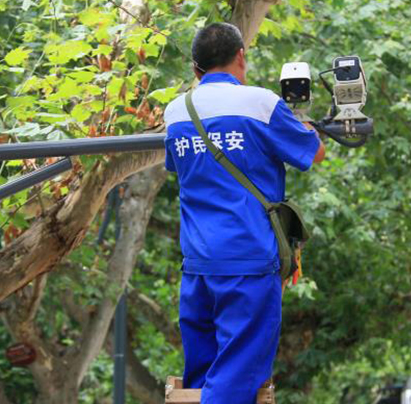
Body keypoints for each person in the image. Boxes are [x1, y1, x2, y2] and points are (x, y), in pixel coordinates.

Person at [162, 22, 326, 404]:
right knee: (237, 382)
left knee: (201, 378)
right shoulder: (260, 104)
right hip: (248, 263)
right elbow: (314, 152)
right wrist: (305, 127)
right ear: (241, 56)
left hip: (197, 266)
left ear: (196, 68)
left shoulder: (176, 112)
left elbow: (177, 166)